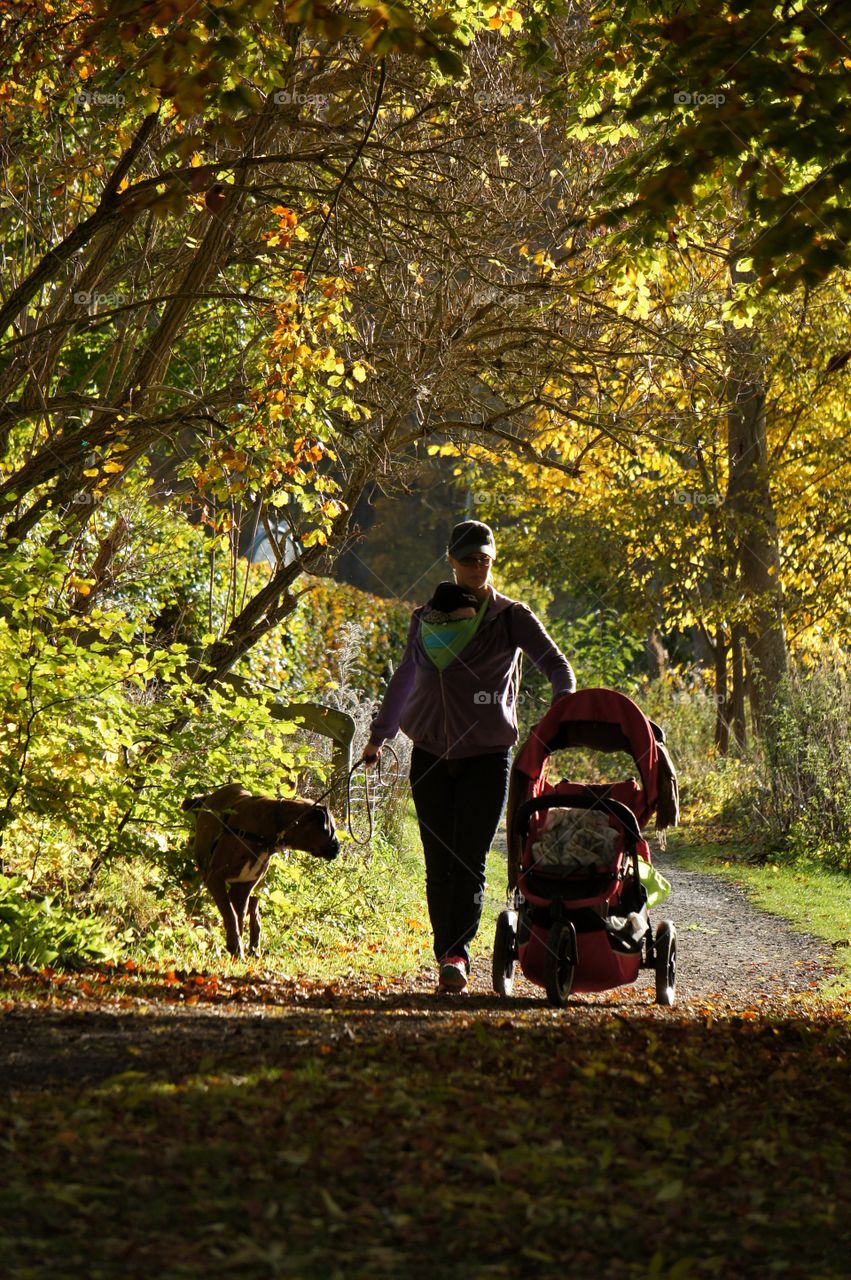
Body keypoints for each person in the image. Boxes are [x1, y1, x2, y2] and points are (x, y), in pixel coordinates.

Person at [361, 519, 576, 994]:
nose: (478, 567)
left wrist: (557, 720)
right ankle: (447, 956)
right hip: (430, 753)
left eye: (485, 559)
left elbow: (559, 668)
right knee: (438, 861)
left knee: (469, 857)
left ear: (492, 561)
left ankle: (458, 950)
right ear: (451, 562)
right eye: (468, 560)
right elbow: (405, 679)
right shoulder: (426, 619)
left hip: (487, 755)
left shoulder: (510, 617)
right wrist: (379, 736)